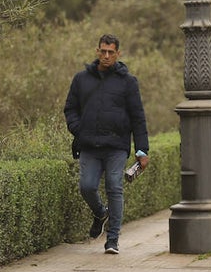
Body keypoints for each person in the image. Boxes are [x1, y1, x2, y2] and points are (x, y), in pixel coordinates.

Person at [64, 34, 150, 254]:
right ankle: (101, 213)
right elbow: (70, 109)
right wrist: (79, 128)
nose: (106, 56)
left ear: (118, 54)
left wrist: (142, 150)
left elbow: (138, 118)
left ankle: (112, 240)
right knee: (87, 186)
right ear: (97, 51)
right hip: (89, 145)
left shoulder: (128, 82)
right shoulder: (81, 79)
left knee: (114, 186)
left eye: (111, 52)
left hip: (116, 146)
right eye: (103, 51)